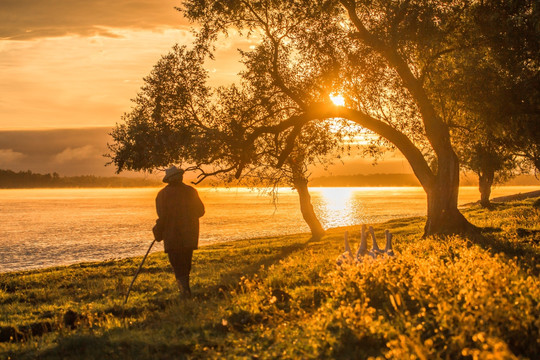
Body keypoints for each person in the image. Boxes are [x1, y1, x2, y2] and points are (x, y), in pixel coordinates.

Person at [153, 166, 205, 297]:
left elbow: (162, 217)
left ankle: (184, 292)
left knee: (177, 265)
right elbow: (200, 211)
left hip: (172, 236)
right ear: (180, 177)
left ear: (169, 179)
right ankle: (185, 290)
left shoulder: (162, 194)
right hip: (189, 235)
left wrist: (157, 231)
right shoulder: (191, 191)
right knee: (186, 263)